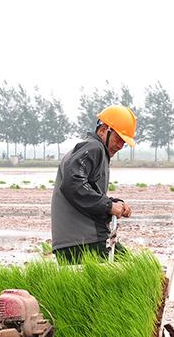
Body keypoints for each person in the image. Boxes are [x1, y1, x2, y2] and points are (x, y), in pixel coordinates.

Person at [51, 105, 136, 264]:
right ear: (104, 130)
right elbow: (73, 184)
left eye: (124, 142)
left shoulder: (96, 152)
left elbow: (87, 190)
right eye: (118, 139)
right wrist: (108, 206)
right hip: (83, 241)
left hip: (76, 240)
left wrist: (113, 203)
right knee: (132, 268)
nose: (120, 146)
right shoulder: (93, 147)